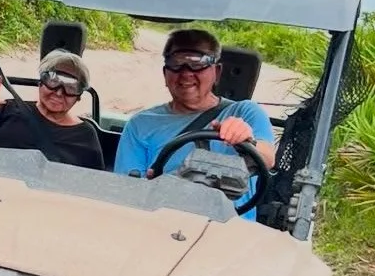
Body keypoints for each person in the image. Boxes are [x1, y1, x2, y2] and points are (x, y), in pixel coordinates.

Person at [113, 28, 276, 216]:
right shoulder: (140, 124)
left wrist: (247, 141)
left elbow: (267, 159)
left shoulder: (245, 112)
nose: (186, 73)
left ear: (216, 71)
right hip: (162, 224)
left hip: (231, 229)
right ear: (165, 73)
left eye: (197, 63)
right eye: (176, 63)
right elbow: (125, 191)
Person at [0, 48, 104, 169]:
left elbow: (92, 189)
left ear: (78, 96)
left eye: (71, 87)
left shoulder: (86, 136)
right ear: (40, 82)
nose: (59, 92)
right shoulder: (6, 110)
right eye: (53, 81)